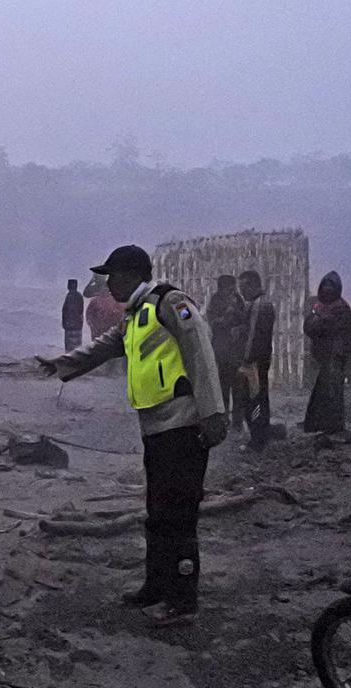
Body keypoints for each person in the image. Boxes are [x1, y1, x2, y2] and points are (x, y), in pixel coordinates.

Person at [36, 245, 226, 627]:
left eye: (113, 277)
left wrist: (213, 413)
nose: (109, 284)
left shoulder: (171, 303)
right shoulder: (136, 315)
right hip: (155, 427)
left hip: (183, 425)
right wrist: (60, 365)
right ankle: (155, 586)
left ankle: (183, 602)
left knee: (178, 516)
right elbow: (107, 346)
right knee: (156, 513)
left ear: (133, 274)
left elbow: (200, 353)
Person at [302, 272, 351, 435]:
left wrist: (320, 320)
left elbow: (332, 328)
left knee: (333, 390)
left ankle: (334, 425)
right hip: (323, 354)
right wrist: (319, 320)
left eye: (331, 286)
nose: (327, 289)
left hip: (335, 353)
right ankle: (318, 423)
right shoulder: (317, 306)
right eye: (325, 285)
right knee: (323, 390)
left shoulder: (341, 307)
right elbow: (309, 327)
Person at [237, 270, 276, 450]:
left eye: (243, 287)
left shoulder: (259, 305)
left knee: (254, 399)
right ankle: (262, 434)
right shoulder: (259, 304)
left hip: (254, 362)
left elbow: (253, 335)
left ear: (253, 285)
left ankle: (257, 439)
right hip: (259, 360)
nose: (242, 292)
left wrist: (246, 360)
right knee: (259, 397)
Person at [206, 274, 247, 431]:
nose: (232, 290)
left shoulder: (239, 300)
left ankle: (237, 421)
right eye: (229, 287)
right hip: (222, 349)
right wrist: (227, 314)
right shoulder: (215, 301)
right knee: (223, 385)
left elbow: (245, 320)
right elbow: (213, 322)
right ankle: (224, 419)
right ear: (221, 288)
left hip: (237, 350)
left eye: (233, 287)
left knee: (239, 386)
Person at [62, 279, 85, 351]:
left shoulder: (69, 296)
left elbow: (65, 311)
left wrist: (64, 324)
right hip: (78, 325)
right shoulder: (80, 296)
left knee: (69, 348)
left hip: (69, 326)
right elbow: (81, 310)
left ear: (68, 286)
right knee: (77, 346)